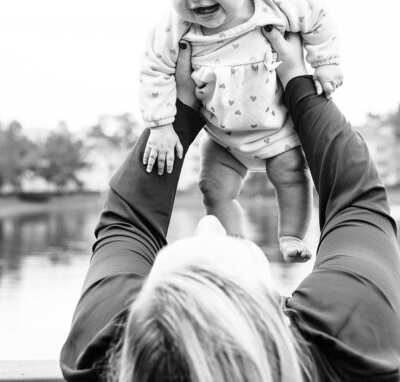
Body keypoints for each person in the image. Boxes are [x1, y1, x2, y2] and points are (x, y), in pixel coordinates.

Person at [60, 30, 400, 381]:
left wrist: (180, 105)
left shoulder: (107, 358)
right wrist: (298, 79)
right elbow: (357, 200)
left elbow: (127, 222)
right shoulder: (348, 348)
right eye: (225, 245)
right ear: (273, 312)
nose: (209, 224)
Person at [133, 0, 344, 261]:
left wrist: (324, 62)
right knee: (212, 187)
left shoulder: (273, 2)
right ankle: (231, 246)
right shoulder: (174, 28)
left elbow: (317, 18)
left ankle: (292, 235)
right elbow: (154, 69)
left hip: (279, 131)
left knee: (292, 178)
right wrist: (161, 125)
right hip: (223, 137)